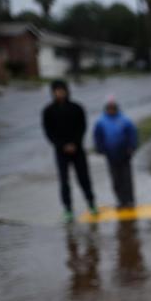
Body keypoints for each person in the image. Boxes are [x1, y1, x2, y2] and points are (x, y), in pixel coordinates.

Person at [41, 79, 98, 223]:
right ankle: (68, 208)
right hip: (61, 151)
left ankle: (91, 203)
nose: (60, 93)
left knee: (83, 177)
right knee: (64, 180)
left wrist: (75, 143)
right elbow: (49, 132)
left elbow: (82, 127)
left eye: (62, 90)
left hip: (77, 149)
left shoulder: (76, 108)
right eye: (57, 91)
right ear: (53, 93)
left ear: (66, 91)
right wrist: (62, 145)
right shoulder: (48, 111)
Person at [93, 96, 139, 209]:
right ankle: (121, 200)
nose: (111, 110)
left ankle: (130, 200)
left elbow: (132, 134)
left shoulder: (125, 120)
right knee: (116, 179)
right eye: (109, 108)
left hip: (124, 153)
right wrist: (100, 148)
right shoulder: (101, 122)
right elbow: (98, 136)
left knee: (126, 178)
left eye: (113, 108)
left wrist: (132, 147)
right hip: (111, 154)